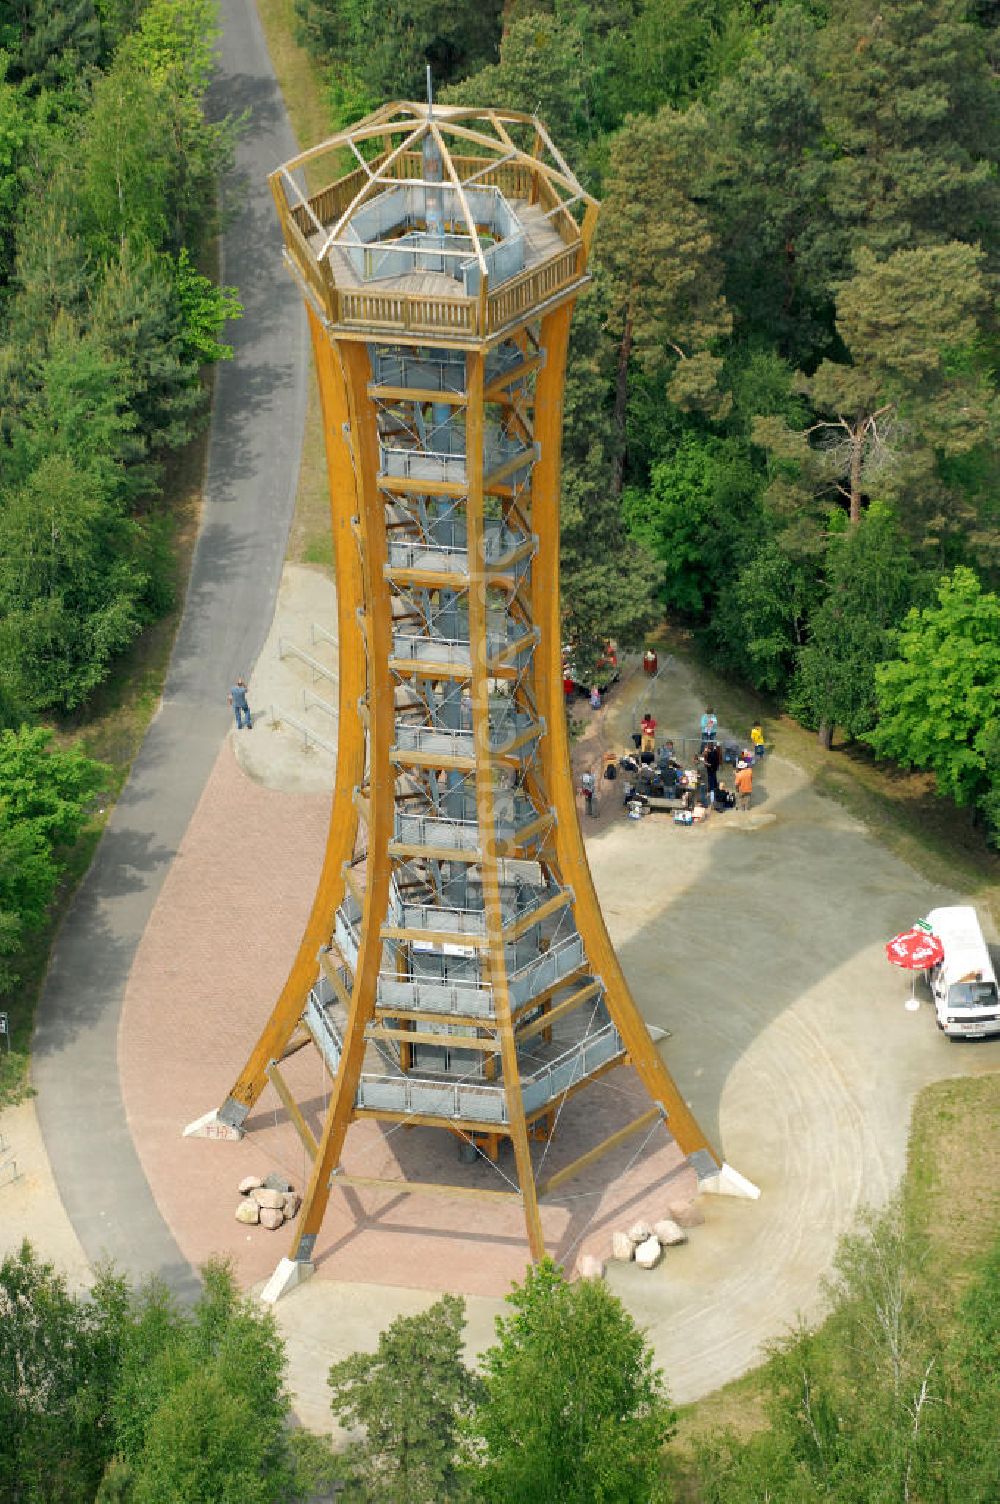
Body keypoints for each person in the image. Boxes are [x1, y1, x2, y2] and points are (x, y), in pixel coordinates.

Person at [702, 739, 722, 803]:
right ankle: (715, 789)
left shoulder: (711, 754)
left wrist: (706, 763)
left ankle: (712, 797)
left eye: (708, 746)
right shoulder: (715, 752)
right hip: (714, 768)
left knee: (711, 782)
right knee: (714, 779)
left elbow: (710, 764)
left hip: (711, 769)